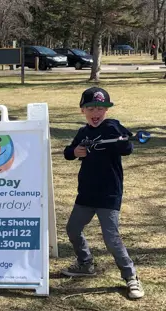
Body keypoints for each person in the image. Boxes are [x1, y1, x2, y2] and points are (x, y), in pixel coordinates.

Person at [61, 87, 144, 299]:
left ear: (106, 110)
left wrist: (123, 141)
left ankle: (131, 277)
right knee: (72, 229)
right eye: (90, 108)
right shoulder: (83, 133)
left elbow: (127, 149)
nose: (95, 112)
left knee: (111, 239)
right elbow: (68, 152)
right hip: (86, 194)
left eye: (100, 108)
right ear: (83, 110)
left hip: (109, 194)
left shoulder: (112, 127)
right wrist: (74, 152)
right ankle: (85, 263)